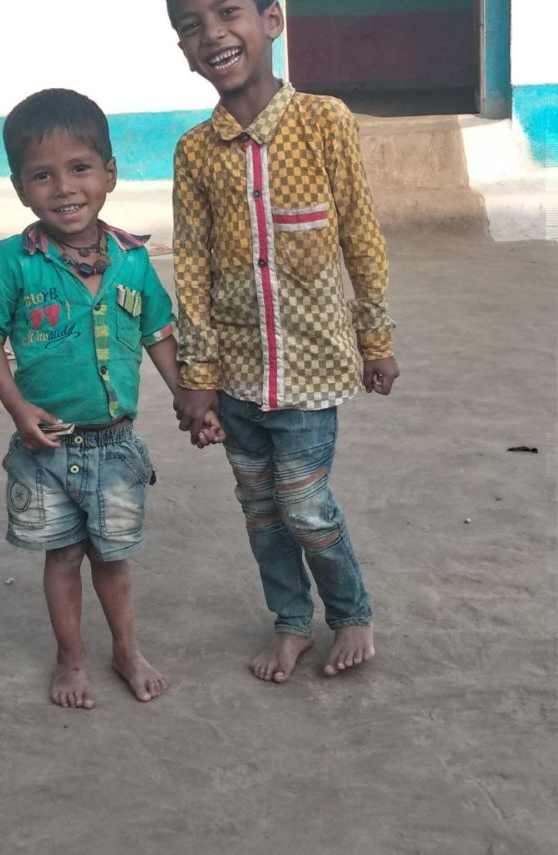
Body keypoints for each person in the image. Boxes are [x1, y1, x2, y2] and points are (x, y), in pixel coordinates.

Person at [0, 88, 224, 710]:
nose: (64, 188)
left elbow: (158, 333)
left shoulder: (132, 260)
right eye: (42, 175)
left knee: (113, 560)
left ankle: (126, 650)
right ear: (20, 188)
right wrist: (18, 409)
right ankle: (71, 658)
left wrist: (189, 398)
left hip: (116, 447)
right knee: (62, 557)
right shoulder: (15, 261)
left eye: (79, 168)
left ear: (109, 173)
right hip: (45, 447)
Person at [167, 0, 400, 683]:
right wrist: (198, 376)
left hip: (310, 373)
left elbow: (360, 236)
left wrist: (375, 337)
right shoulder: (194, 152)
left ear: (272, 20)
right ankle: (292, 621)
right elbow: (193, 268)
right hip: (237, 380)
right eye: (190, 25)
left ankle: (351, 612)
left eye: (227, 11)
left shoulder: (324, 121)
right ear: (183, 50)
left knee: (304, 505)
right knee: (262, 513)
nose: (212, 33)